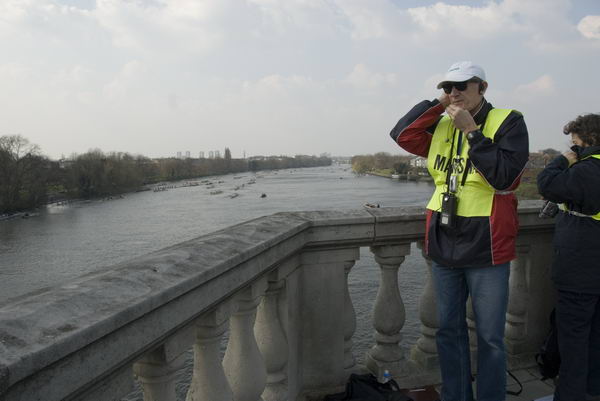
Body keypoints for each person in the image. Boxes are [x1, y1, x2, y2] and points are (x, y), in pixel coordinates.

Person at [389, 61, 529, 401]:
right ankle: (456, 395)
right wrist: (438, 106)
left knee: (490, 337)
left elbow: (505, 177)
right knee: (448, 331)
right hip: (444, 238)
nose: (454, 92)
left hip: (487, 242)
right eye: (448, 86)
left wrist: (472, 133)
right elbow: (401, 134)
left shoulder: (508, 121)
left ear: (482, 86)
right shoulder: (440, 124)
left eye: (462, 86)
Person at [537, 114, 600, 401]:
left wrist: (563, 159)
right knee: (596, 339)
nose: (572, 147)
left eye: (574, 143)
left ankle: (571, 396)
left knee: (574, 340)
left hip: (581, 271)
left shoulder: (588, 170)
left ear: (589, 140)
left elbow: (547, 184)